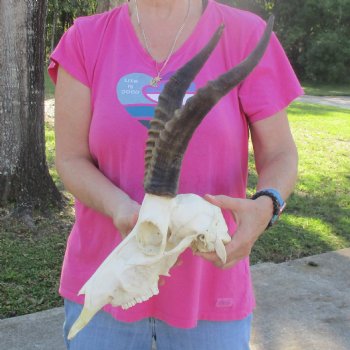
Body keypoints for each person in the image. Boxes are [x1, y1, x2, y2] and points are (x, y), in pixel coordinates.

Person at [48, 0, 302, 349]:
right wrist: (121, 208)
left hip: (211, 291)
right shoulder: (85, 38)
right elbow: (71, 159)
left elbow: (280, 154)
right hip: (108, 283)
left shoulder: (245, 34)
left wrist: (267, 204)